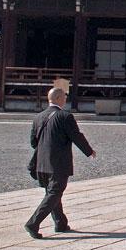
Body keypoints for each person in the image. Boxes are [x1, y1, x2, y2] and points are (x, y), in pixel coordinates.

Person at [24, 87, 96, 239]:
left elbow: (33, 142)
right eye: (63, 96)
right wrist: (89, 151)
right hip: (58, 163)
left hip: (41, 163)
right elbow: (76, 136)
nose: (65, 99)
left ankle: (60, 223)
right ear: (57, 98)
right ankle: (33, 223)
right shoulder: (65, 116)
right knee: (54, 193)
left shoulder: (38, 117)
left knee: (52, 193)